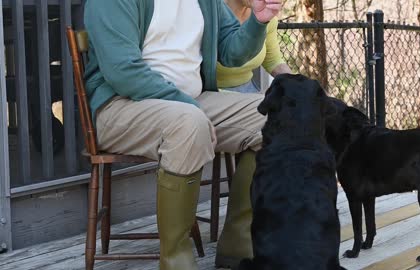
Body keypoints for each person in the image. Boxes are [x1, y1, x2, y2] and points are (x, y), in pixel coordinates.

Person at [83, 0, 282, 269]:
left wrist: (258, 22)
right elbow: (123, 71)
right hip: (121, 105)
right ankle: (176, 260)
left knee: (276, 118)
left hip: (190, 101)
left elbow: (232, 52)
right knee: (188, 123)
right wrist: (188, 106)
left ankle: (239, 243)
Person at [217, 0, 292, 93]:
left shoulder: (265, 16)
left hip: (249, 89)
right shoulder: (207, 14)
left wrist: (295, 82)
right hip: (211, 92)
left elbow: (273, 60)